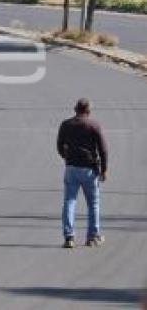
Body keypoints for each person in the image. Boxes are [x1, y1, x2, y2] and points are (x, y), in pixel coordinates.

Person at [57, 98, 108, 249]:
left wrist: (67, 158)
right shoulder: (94, 125)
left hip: (71, 168)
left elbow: (59, 145)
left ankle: (69, 237)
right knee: (93, 204)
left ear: (75, 110)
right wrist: (104, 169)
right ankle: (92, 237)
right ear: (89, 111)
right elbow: (103, 149)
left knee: (69, 201)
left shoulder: (66, 124)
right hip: (89, 169)